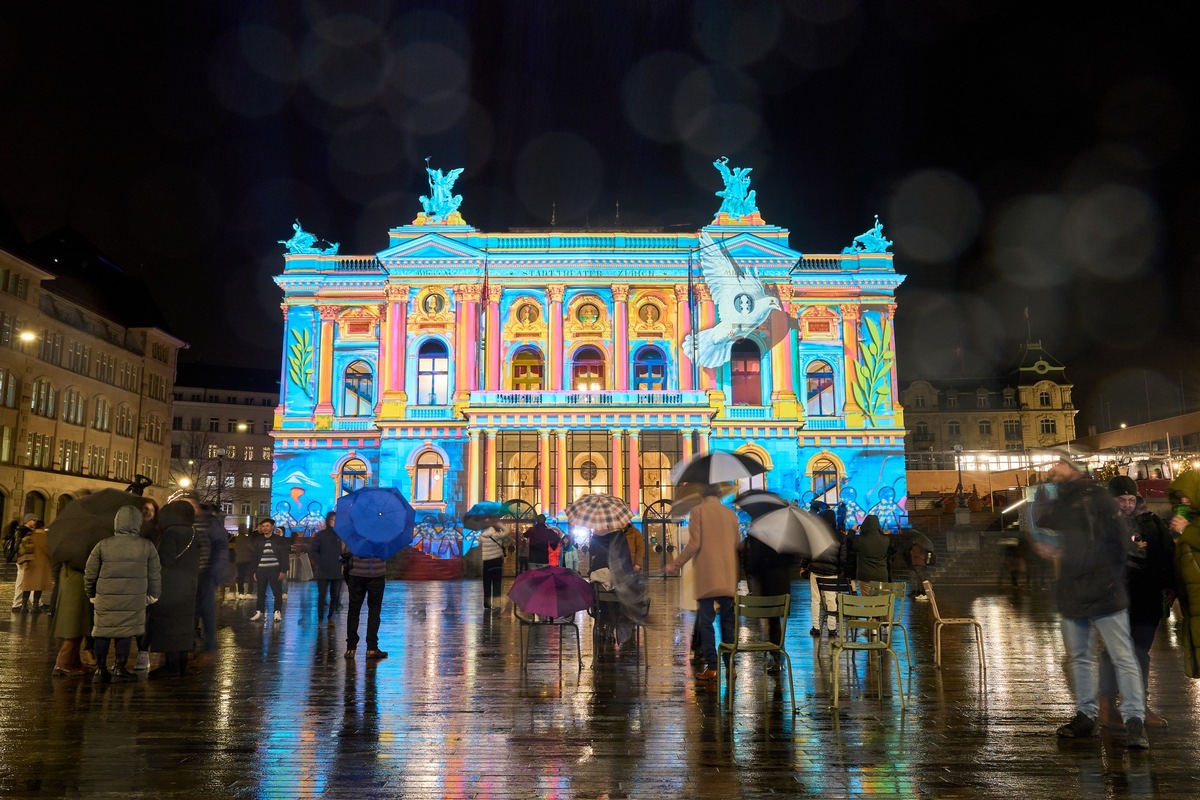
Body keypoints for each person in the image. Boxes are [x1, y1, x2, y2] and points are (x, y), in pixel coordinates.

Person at [1034, 453, 1149, 748]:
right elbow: (1042, 518)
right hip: (1073, 590)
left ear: (1071, 468)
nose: (1052, 469)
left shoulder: (1096, 495)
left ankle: (1134, 720)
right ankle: (1086, 716)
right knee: (1080, 658)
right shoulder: (1063, 499)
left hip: (1103, 589)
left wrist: (1109, 576)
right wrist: (1045, 486)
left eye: (1058, 464)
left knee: (1122, 657)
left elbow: (1120, 538)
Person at [1097, 476, 1175, 729]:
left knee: (1141, 651)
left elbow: (1168, 555)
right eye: (1122, 500)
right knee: (1114, 651)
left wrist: (1171, 586)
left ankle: (1139, 705)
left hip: (1147, 598)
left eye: (1131, 500)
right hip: (1114, 599)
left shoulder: (1151, 523)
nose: (1127, 505)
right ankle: (1106, 703)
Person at [666, 484, 739, 682]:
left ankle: (713, 666)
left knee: (706, 621)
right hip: (728, 575)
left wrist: (676, 563)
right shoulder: (730, 514)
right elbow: (736, 543)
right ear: (718, 494)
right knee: (728, 622)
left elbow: (695, 543)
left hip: (708, 574)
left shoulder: (697, 511)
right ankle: (731, 667)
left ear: (702, 495)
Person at [84, 506, 162, 683]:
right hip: (133, 598)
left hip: (105, 596)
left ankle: (100, 669)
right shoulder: (146, 546)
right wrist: (153, 595)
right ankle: (120, 668)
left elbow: (90, 572)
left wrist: (91, 593)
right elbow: (155, 573)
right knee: (125, 632)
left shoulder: (103, 544)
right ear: (138, 523)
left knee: (102, 632)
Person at [147, 501, 201, 679]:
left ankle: (170, 667)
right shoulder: (194, 532)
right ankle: (181, 665)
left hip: (171, 587)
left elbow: (164, 562)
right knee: (183, 626)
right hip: (189, 586)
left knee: (169, 626)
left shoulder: (172, 532)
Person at [743, 532, 795, 674]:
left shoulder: (761, 535)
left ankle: (776, 655)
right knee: (776, 621)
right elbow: (791, 559)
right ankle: (778, 655)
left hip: (768, 583)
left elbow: (754, 563)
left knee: (772, 622)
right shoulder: (786, 537)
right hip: (783, 583)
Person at [1166, 471, 1200, 682]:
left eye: (1187, 497)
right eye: (1179, 498)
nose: (1184, 502)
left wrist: (1186, 530)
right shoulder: (1188, 527)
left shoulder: (1190, 528)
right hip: (1194, 609)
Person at [344, 547, 388, 660]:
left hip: (356, 573)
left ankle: (351, 648)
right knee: (374, 611)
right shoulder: (383, 533)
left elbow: (347, 551)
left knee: (354, 610)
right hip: (376, 574)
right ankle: (372, 648)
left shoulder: (357, 531)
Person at [250, 518, 289, 623]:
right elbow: (255, 556)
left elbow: (284, 556)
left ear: (272, 527)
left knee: (277, 592)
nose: (265, 528)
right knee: (260, 592)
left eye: (267, 526)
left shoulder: (279, 540)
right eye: (263, 526)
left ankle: (277, 611)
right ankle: (259, 612)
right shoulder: (258, 540)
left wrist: (283, 570)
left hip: (275, 569)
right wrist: (254, 571)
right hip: (261, 570)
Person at [310, 512, 344, 625]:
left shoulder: (340, 535)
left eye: (336, 520)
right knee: (322, 595)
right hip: (323, 571)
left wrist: (342, 560)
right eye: (332, 520)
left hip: (336, 571)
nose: (334, 522)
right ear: (328, 521)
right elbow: (313, 551)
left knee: (335, 595)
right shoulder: (321, 535)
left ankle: (330, 616)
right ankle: (320, 618)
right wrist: (321, 561)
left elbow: (343, 552)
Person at [15, 516, 52, 613]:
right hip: (41, 564)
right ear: (43, 527)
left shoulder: (30, 535)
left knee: (27, 585)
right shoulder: (44, 536)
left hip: (29, 562)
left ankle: (23, 606)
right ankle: (35, 606)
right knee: (38, 586)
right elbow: (48, 550)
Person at [850, 515, 891, 590]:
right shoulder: (886, 540)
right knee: (882, 600)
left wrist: (853, 531)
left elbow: (849, 544)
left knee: (867, 600)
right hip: (882, 575)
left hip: (865, 575)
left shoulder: (860, 540)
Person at [10, 515, 40, 612]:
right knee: (21, 581)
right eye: (33, 520)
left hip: (29, 559)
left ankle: (35, 603)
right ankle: (16, 604)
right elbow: (17, 546)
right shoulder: (21, 530)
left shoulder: (31, 531)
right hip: (23, 559)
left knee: (30, 581)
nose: (35, 521)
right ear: (27, 521)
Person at [478, 519, 508, 611]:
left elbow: (479, 544)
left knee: (486, 583)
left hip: (486, 562)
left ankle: (486, 603)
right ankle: (496, 604)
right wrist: (500, 525)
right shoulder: (497, 535)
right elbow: (507, 531)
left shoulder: (482, 537)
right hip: (496, 561)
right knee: (496, 583)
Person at [232, 526, 257, 599]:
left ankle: (240, 592)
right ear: (243, 530)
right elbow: (251, 547)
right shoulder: (247, 539)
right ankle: (249, 592)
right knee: (250, 576)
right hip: (248, 560)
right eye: (245, 528)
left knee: (240, 577)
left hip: (239, 560)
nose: (246, 529)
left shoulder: (236, 539)